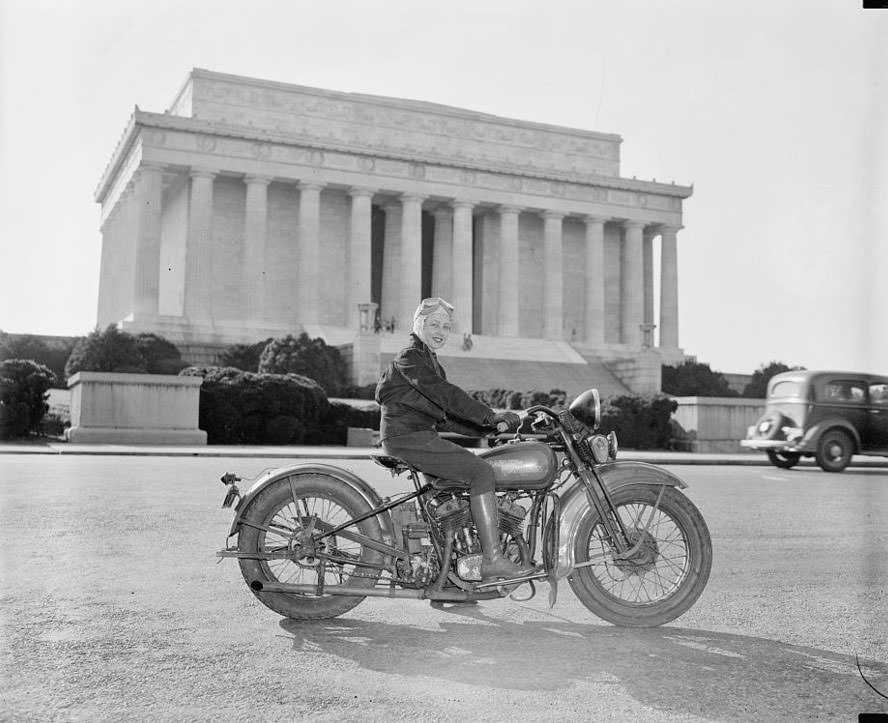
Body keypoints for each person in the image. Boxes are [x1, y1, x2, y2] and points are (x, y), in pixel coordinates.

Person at [375, 297, 536, 582]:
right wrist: (489, 414)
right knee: (480, 473)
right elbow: (446, 395)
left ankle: (453, 576)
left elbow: (446, 417)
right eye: (434, 324)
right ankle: (493, 560)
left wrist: (488, 429)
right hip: (408, 438)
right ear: (418, 325)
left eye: (446, 327)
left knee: (454, 492)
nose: (441, 331)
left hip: (416, 435)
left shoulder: (429, 361)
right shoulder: (410, 357)